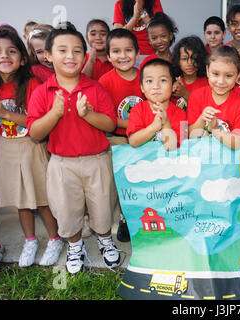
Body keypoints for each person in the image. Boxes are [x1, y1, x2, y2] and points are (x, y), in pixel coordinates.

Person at [26, 26, 122, 274]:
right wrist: (54, 114)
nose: (71, 56)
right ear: (48, 55)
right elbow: (35, 133)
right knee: (67, 210)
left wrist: (87, 114)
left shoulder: (95, 88)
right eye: (62, 50)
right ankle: (75, 245)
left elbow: (110, 124)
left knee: (101, 204)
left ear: (85, 55)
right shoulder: (42, 92)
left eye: (77, 51)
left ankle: (104, 240)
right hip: (61, 163)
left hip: (97, 159)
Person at [0, 28, 63, 268]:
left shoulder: (31, 83)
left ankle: (54, 238)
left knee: (40, 198)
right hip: (7, 146)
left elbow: (36, 121)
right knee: (21, 199)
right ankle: (30, 240)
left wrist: (7, 113)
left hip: (32, 145)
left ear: (22, 57)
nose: (4, 56)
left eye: (11, 51)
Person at [99, 28, 143, 242]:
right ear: (108, 56)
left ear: (137, 52)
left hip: (147, 139)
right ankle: (125, 218)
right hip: (118, 140)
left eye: (128, 50)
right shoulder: (105, 82)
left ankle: (142, 219)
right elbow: (108, 118)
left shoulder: (146, 76)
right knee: (122, 183)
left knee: (143, 180)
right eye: (116, 51)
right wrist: (140, 124)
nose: (123, 55)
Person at [187, 45, 240, 150]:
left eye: (229, 76)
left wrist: (216, 129)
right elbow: (191, 136)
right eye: (216, 74)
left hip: (226, 160)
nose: (221, 82)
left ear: (238, 75)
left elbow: (237, 144)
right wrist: (202, 118)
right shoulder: (196, 96)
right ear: (207, 70)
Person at [127, 58, 186, 151]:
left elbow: (172, 147)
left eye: (163, 80)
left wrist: (165, 122)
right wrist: (153, 127)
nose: (156, 86)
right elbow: (133, 142)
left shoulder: (181, 114)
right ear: (142, 87)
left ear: (174, 85)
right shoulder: (137, 110)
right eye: (149, 81)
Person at [113, 0, 164, 67]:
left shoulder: (154, 2)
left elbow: (158, 30)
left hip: (152, 52)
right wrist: (135, 17)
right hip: (128, 55)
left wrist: (142, 12)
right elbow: (118, 35)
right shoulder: (120, 4)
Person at [171, 36, 208, 111]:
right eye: (184, 59)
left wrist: (185, 94)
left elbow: (205, 109)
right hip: (177, 122)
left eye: (194, 58)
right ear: (177, 60)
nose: (189, 63)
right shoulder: (173, 82)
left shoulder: (207, 83)